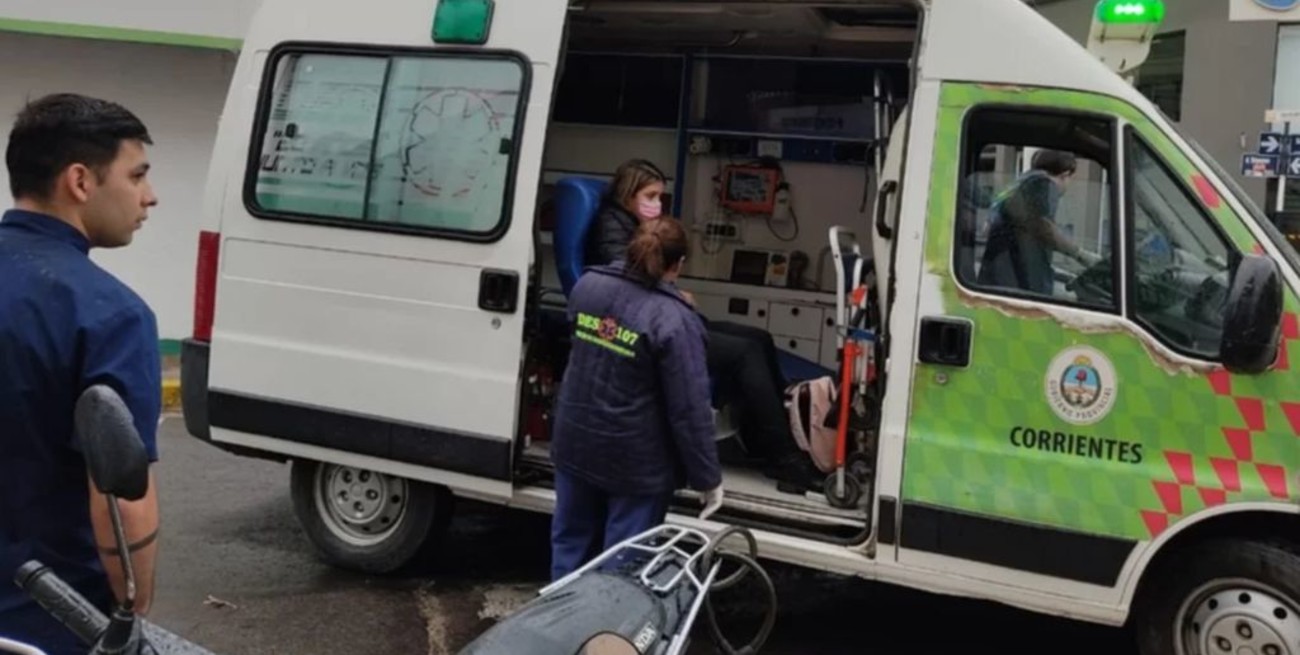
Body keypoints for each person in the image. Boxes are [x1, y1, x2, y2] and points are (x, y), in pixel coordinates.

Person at [0, 93, 162, 654]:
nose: (150, 195)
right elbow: (122, 497)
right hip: (49, 621)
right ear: (80, 181)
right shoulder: (110, 316)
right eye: (136, 175)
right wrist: (131, 616)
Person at [586, 159, 820, 491]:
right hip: (645, 329)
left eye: (660, 197)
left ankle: (765, 441)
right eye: (650, 196)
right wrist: (671, 292)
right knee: (744, 353)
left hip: (659, 316)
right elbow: (624, 278)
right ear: (628, 194)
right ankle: (785, 459)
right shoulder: (611, 226)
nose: (657, 204)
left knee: (759, 338)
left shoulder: (630, 223)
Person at [550, 218, 723, 581]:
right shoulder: (674, 319)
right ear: (678, 264)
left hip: (575, 443)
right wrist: (707, 478)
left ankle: (561, 614)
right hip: (635, 463)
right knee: (623, 564)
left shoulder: (587, 287)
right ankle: (606, 620)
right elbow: (689, 410)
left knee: (569, 547)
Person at [977, 149, 1095, 296]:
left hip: (998, 275)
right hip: (1017, 282)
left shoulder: (1021, 183)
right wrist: (1080, 254)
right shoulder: (1043, 184)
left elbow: (988, 227)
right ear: (1065, 175)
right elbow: (1044, 228)